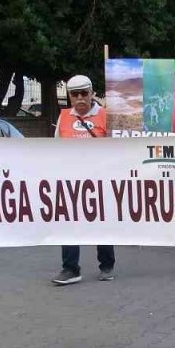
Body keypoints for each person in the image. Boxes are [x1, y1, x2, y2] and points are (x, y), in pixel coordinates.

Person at [51, 74, 115, 285]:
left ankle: (106, 265)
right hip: (71, 180)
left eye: (84, 93)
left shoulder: (106, 115)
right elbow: (56, 148)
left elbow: (119, 149)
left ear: (91, 93)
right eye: (75, 94)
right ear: (69, 96)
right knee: (69, 223)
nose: (80, 98)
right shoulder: (64, 117)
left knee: (101, 222)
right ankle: (70, 268)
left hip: (100, 179)